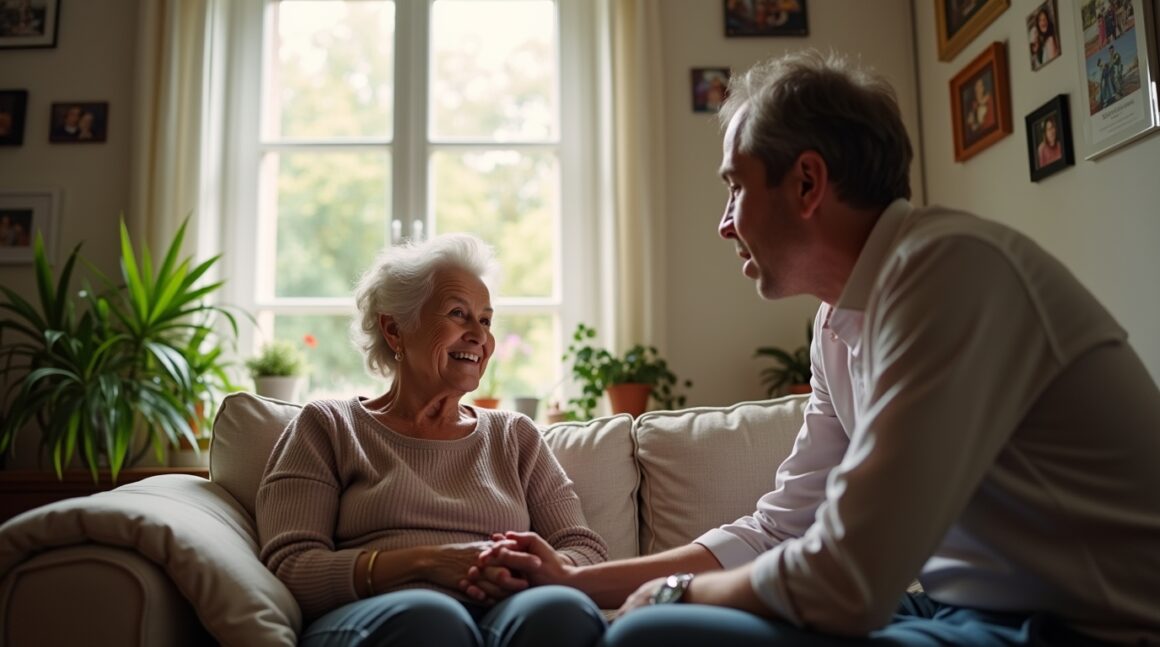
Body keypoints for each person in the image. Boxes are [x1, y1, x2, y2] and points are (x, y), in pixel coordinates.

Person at [468, 50, 1160, 645]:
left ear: (806, 182)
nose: (723, 223)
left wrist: (675, 593)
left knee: (659, 632)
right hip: (971, 612)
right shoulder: (841, 320)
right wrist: (580, 581)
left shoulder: (949, 271)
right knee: (652, 626)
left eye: (734, 186)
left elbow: (848, 580)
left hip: (1084, 625)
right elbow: (784, 526)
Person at [255, 233, 609, 647]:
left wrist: (534, 567)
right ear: (395, 329)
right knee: (432, 618)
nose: (480, 335)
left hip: (499, 615)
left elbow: (585, 550)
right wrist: (429, 563)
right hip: (381, 619)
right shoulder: (330, 427)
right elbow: (292, 567)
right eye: (459, 314)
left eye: (486, 320)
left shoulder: (515, 435)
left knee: (560, 613)